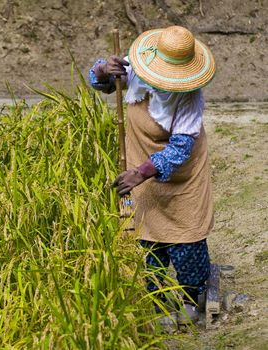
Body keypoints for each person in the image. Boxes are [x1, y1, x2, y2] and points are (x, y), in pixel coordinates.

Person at [88, 26, 216, 324]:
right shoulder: (137, 70)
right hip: (141, 169)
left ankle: (190, 296)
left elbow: (181, 148)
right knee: (148, 238)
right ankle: (154, 297)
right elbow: (99, 81)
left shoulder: (189, 97)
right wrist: (104, 70)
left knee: (187, 239)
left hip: (183, 176)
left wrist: (140, 173)